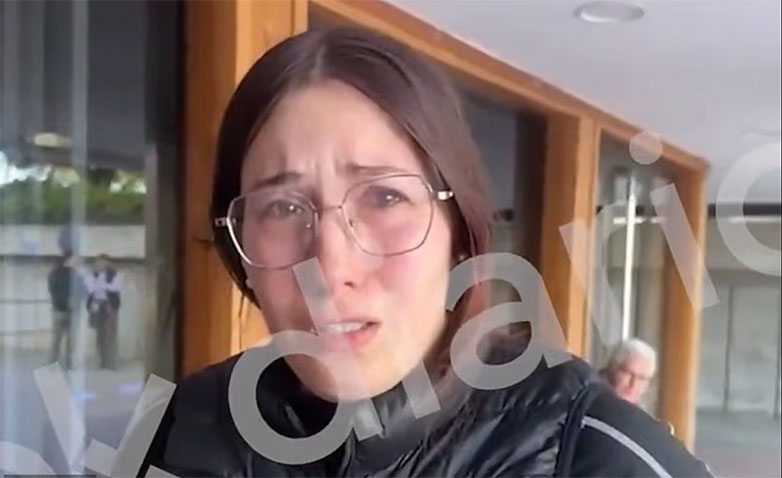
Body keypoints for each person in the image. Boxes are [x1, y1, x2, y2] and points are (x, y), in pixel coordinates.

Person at [143, 27, 710, 477]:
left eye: (385, 197)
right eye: (283, 207)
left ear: (458, 230)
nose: (330, 268)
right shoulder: (181, 428)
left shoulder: (590, 449)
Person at [47, 251, 85, 369]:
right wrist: (66, 301)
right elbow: (53, 290)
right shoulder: (56, 273)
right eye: (73, 260)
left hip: (70, 311)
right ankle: (54, 362)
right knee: (58, 338)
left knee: (70, 340)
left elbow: (83, 291)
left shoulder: (76, 275)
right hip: (60, 310)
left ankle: (68, 362)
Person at [85, 254, 121, 369]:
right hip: (96, 306)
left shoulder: (114, 273)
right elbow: (90, 288)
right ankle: (101, 361)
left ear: (108, 263)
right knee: (99, 335)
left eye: (104, 262)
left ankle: (111, 362)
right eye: (99, 262)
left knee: (110, 334)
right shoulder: (91, 274)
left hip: (110, 306)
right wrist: (105, 286)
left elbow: (116, 287)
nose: (101, 264)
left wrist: (102, 286)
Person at [600, 338, 657, 406]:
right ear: (612, 368)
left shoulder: (640, 410)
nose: (633, 384)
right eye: (628, 374)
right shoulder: (591, 399)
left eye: (641, 378)